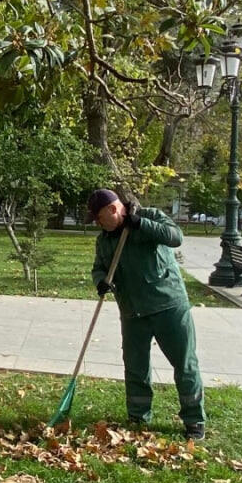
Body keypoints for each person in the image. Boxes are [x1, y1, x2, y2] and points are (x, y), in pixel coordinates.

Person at [88, 188, 205, 440]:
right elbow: (99, 267)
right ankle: (138, 417)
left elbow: (176, 237)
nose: (98, 223)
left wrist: (142, 224)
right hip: (132, 311)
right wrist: (101, 281)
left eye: (99, 218)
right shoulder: (104, 240)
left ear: (113, 209)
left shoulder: (150, 216)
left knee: (184, 365)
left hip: (169, 306)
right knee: (135, 367)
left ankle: (194, 420)